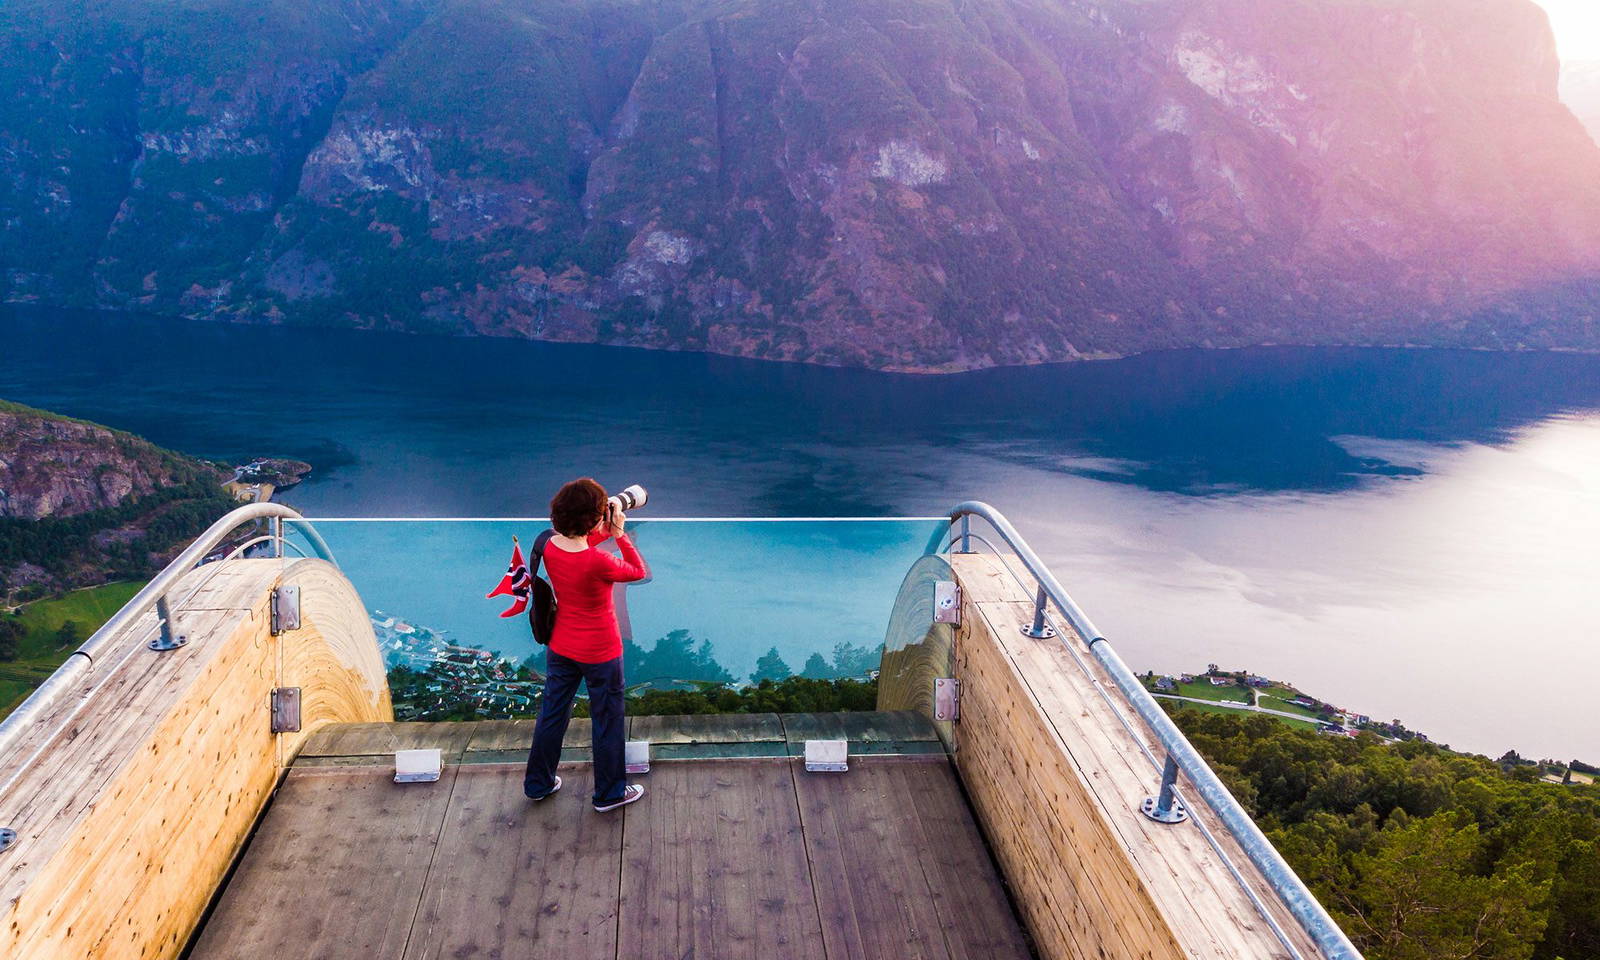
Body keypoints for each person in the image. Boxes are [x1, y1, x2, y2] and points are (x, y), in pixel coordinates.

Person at [523, 478, 648, 812]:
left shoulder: (547, 543)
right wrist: (620, 534)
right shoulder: (599, 562)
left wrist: (604, 523)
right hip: (600, 652)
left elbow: (580, 539)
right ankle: (609, 793)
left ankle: (538, 783)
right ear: (594, 520)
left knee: (553, 713)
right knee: (606, 720)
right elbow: (637, 570)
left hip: (561, 646)